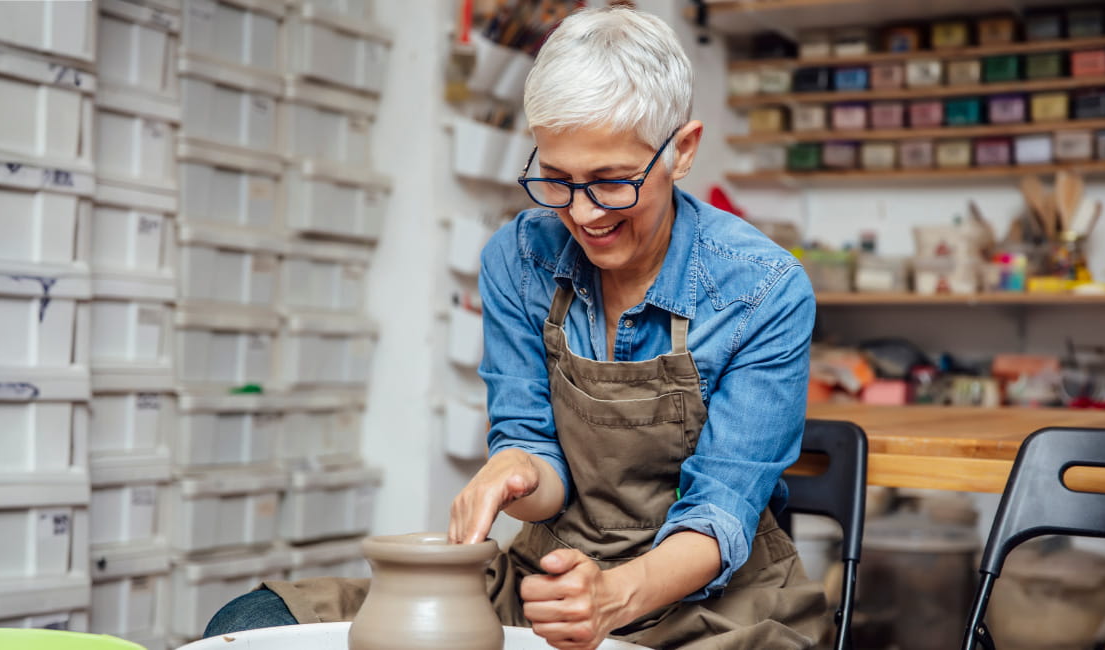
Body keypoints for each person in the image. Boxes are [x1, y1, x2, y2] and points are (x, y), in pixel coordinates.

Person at [204, 7, 824, 649]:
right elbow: (537, 457)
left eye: (611, 182)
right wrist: (516, 471)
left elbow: (720, 511)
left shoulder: (763, 289)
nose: (583, 214)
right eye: (557, 179)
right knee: (247, 626)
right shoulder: (520, 257)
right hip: (545, 576)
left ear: (683, 150)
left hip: (714, 601)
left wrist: (611, 599)